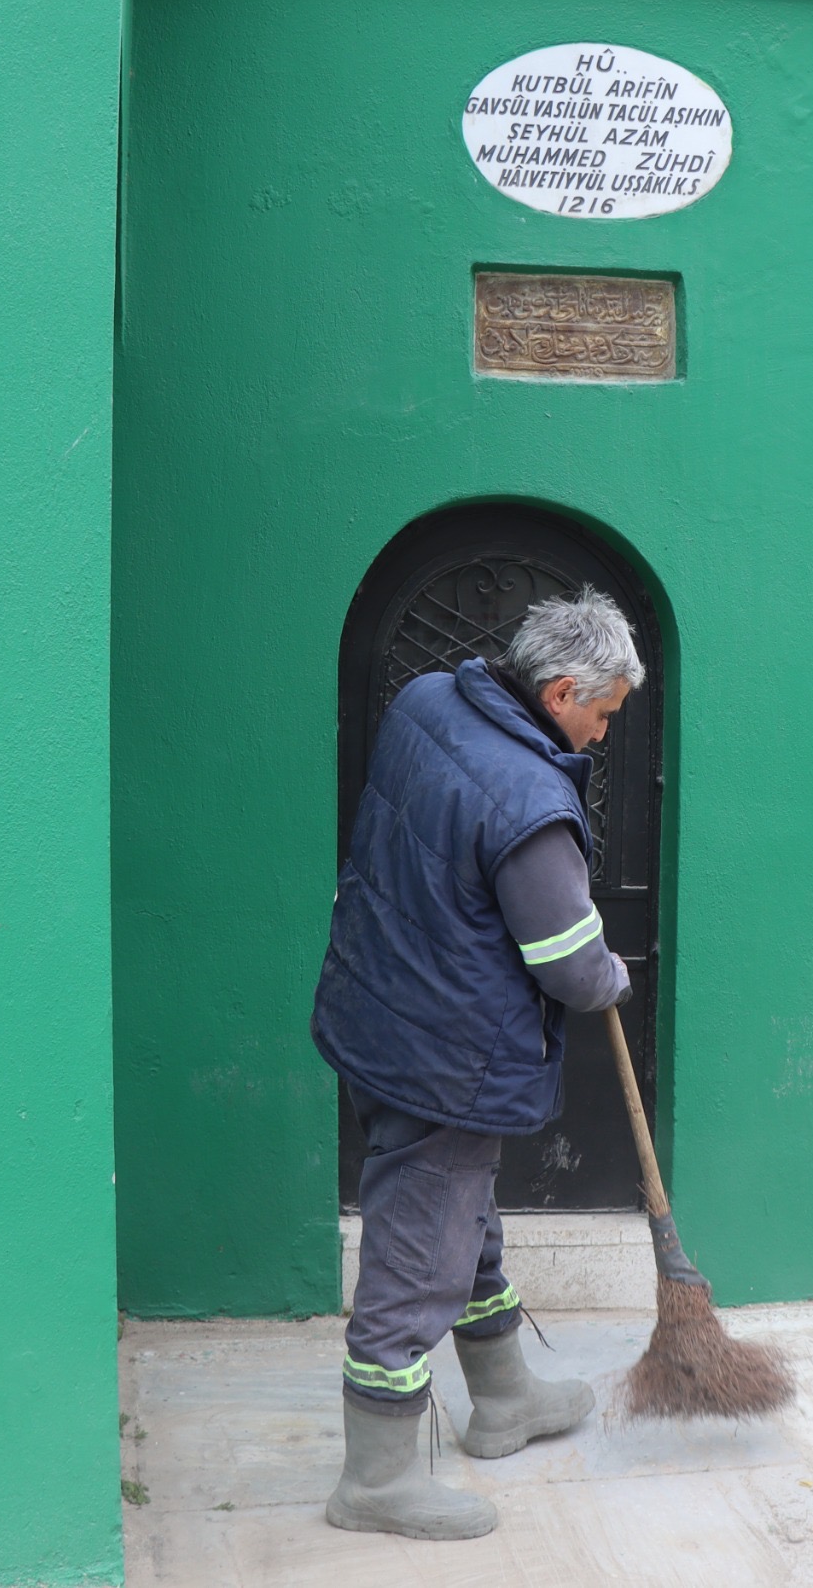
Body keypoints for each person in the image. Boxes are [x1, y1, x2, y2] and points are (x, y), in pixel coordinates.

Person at [310, 588, 644, 1540]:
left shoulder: (425, 700)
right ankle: (375, 1481)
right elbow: (572, 969)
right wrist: (612, 972)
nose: (605, 733)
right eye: (604, 711)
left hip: (376, 1013)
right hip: (446, 1059)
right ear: (562, 687)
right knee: (418, 1260)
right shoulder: (532, 799)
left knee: (461, 1220)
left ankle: (502, 1398)